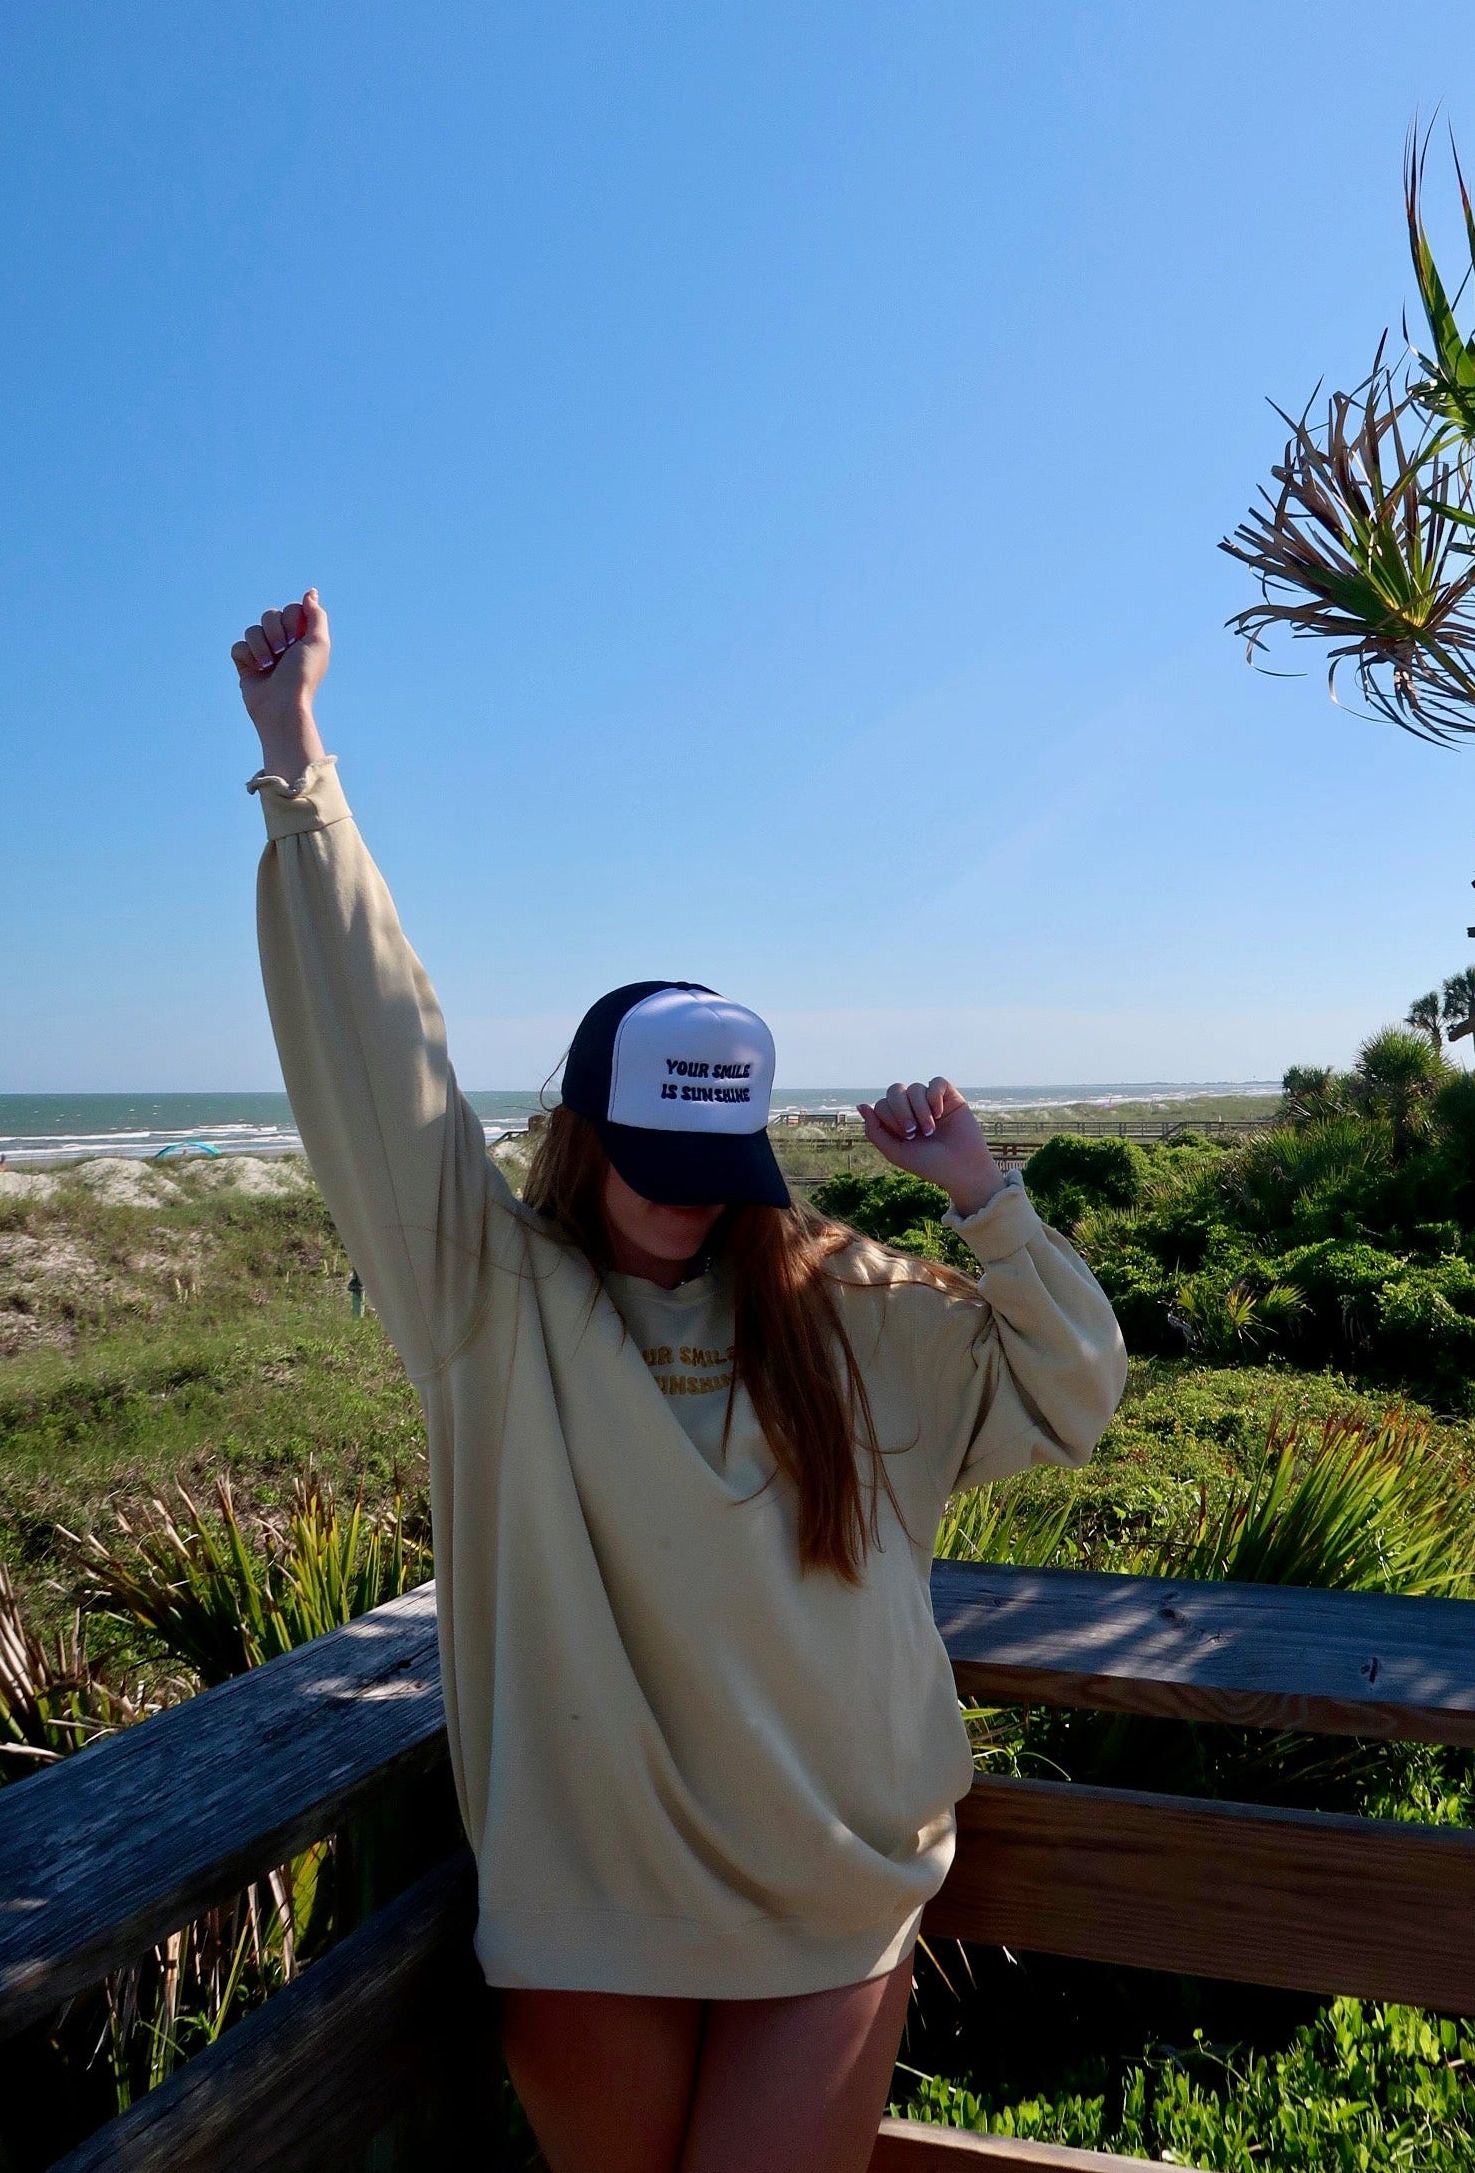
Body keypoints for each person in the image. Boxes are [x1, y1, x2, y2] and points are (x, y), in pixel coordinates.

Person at [232, 588, 1127, 2173]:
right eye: (653, 1160)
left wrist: (988, 1202)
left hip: (836, 1884)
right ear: (580, 1134)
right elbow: (384, 1068)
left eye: (719, 1163)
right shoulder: (491, 1301)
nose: (689, 1194)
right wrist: (302, 764)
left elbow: (1070, 1395)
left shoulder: (843, 1301)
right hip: (598, 1908)